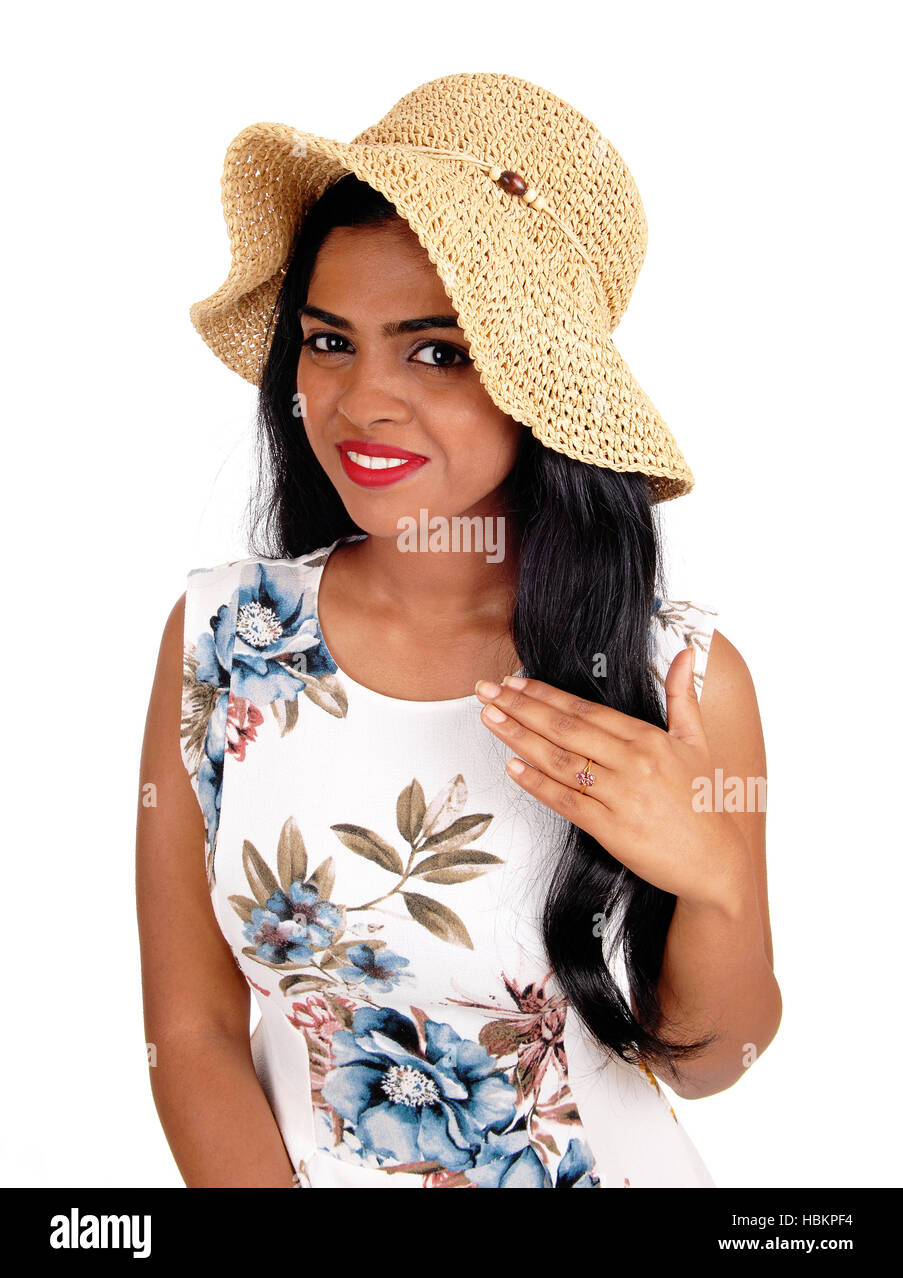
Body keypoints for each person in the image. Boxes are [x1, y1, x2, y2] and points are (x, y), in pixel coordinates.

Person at [136, 73, 781, 1189]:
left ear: (541, 384)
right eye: (330, 341)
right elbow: (189, 1030)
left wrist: (716, 877)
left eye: (437, 350)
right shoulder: (222, 637)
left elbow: (715, 1061)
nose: (362, 400)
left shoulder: (674, 674)